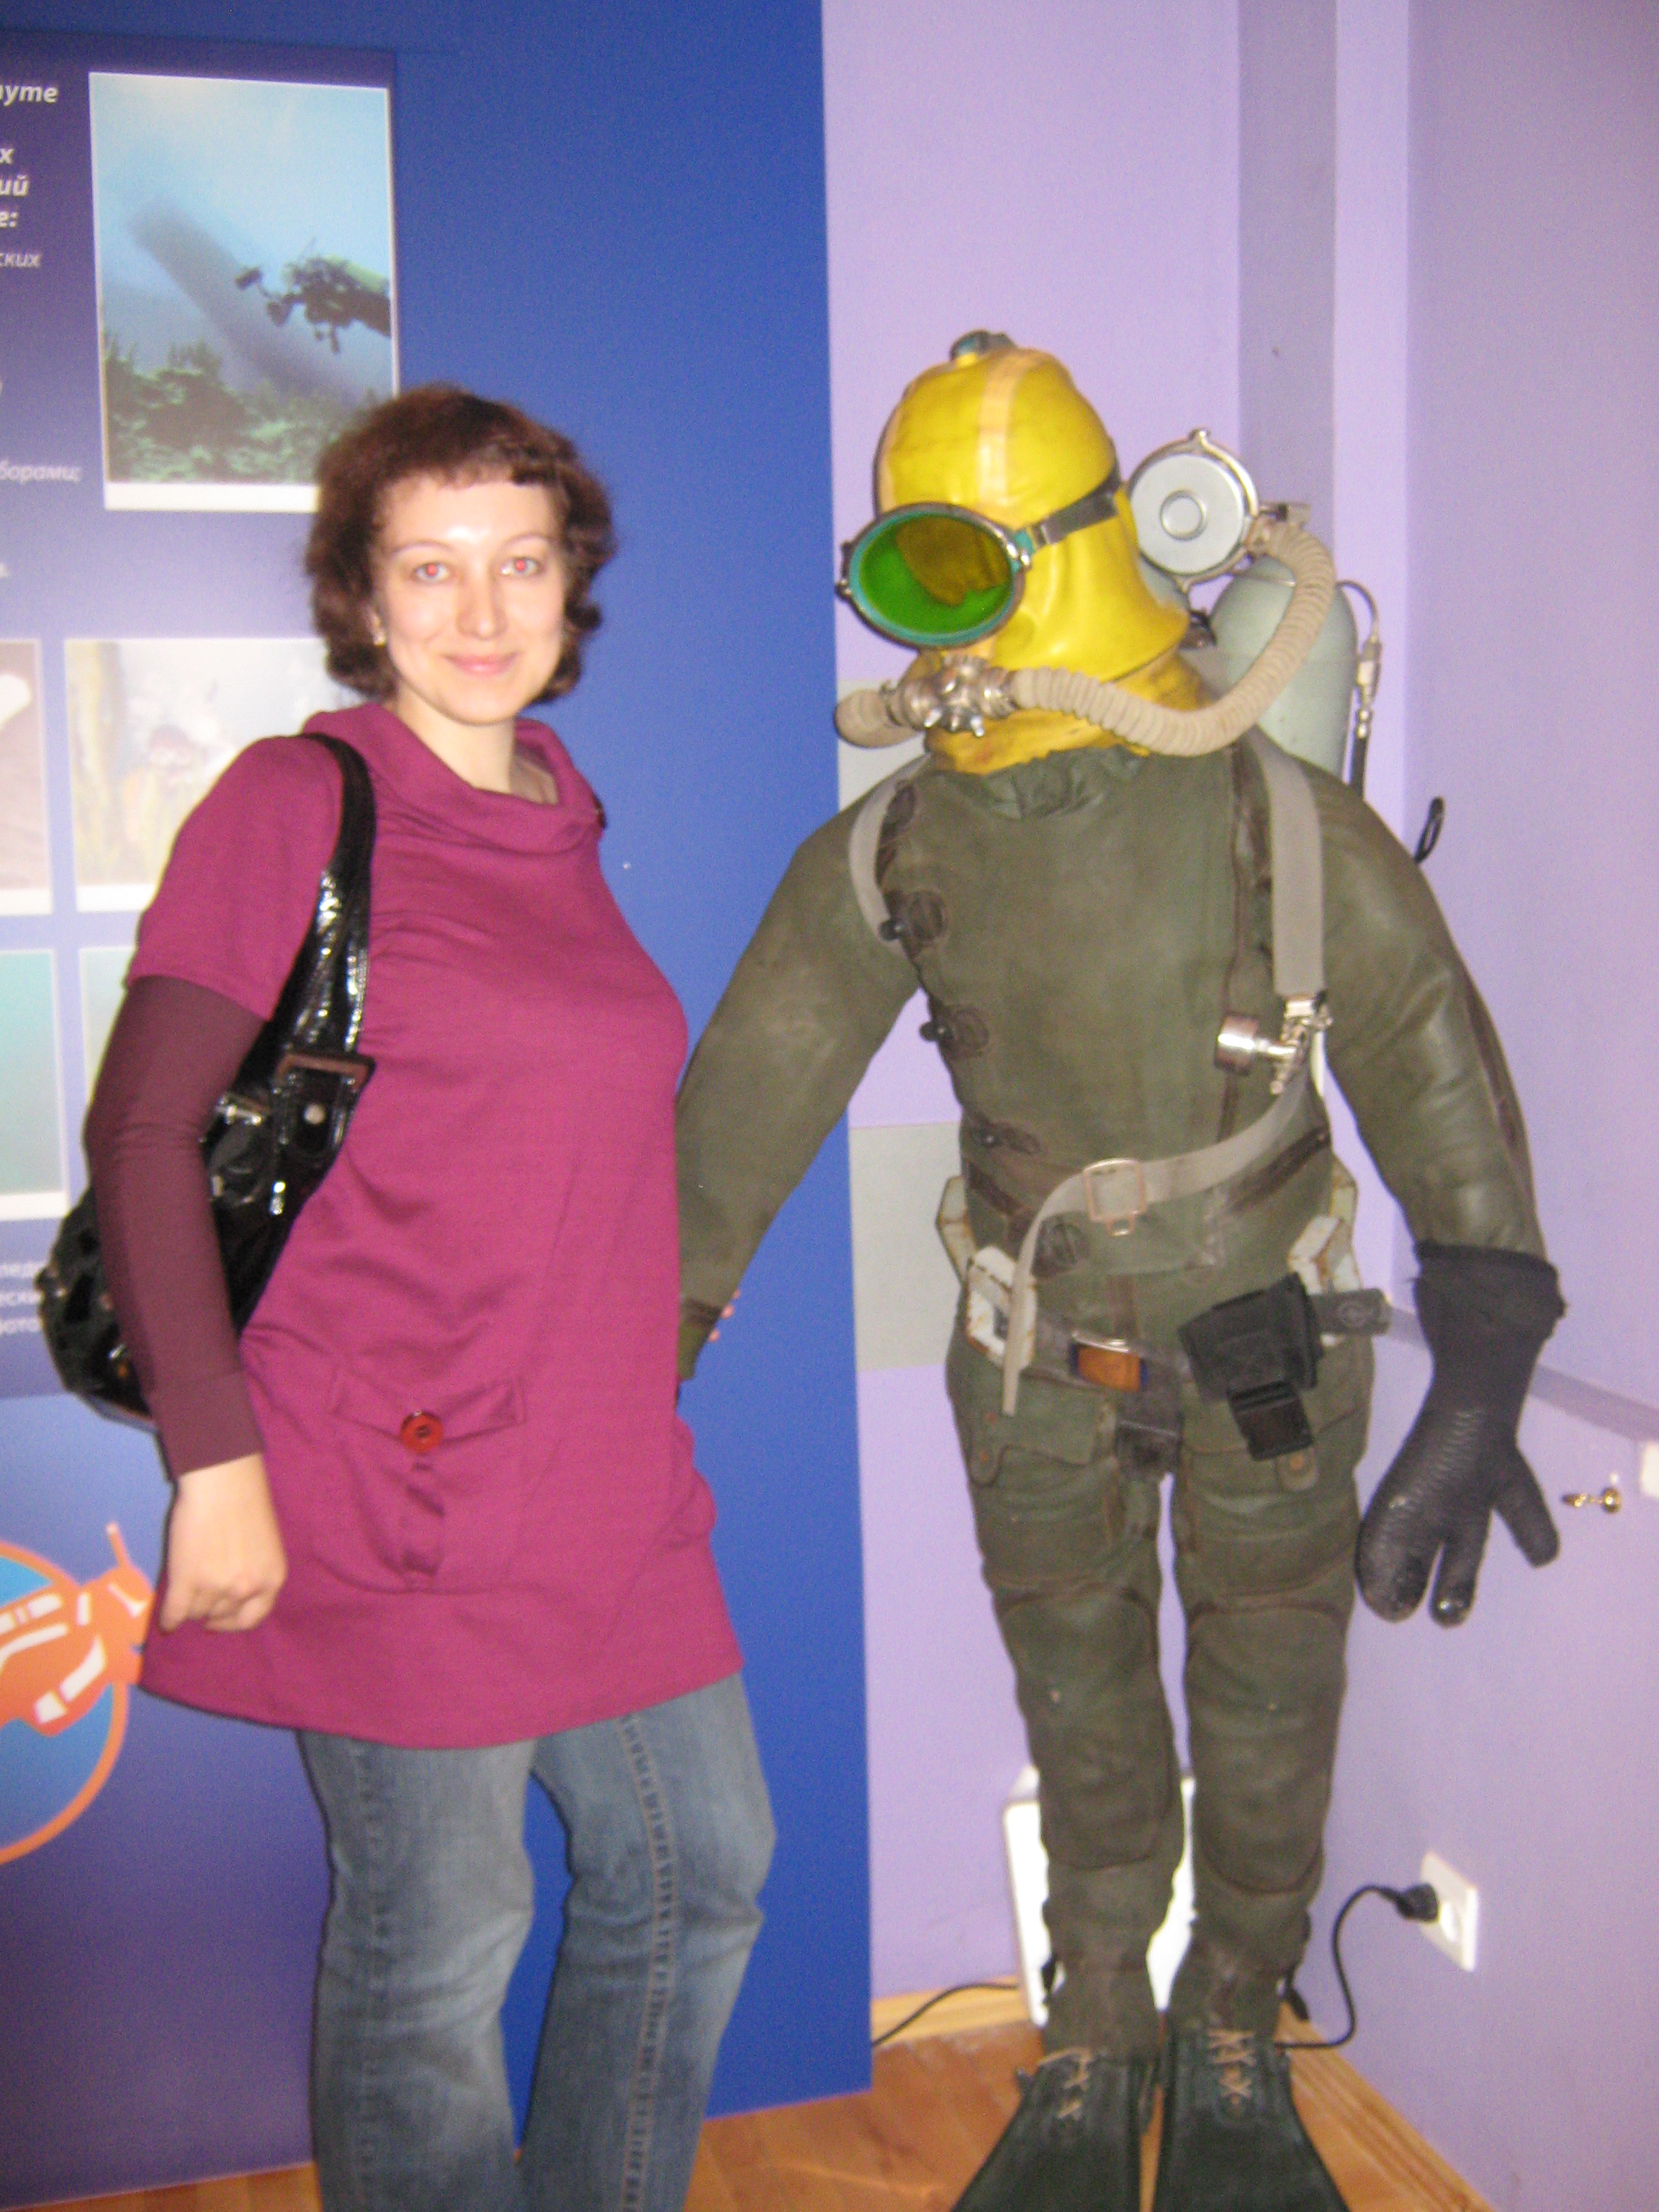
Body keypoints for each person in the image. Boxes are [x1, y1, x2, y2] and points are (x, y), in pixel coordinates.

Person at [673, 337, 1561, 2212]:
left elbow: (1433, 1065)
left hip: (1267, 1349)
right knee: (1079, 1711)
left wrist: (1485, 1360)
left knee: (1270, 1702)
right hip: (1035, 1360)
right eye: (908, 571)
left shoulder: (1275, 818)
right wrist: (639, 1350)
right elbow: (749, 1096)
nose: (941, 623)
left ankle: (1232, 2029)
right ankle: (1096, 2039)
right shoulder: (901, 844)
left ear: (1086, 549)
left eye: (967, 567)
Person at [86, 385, 774, 2212]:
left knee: (701, 1870)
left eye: (520, 564)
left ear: (571, 586)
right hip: (390, 1475)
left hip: (602, 1474)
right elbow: (145, 1132)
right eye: (431, 568)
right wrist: (214, 1461)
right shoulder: (298, 802)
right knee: (443, 1940)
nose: (482, 611)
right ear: (364, 597)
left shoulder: (559, 807)